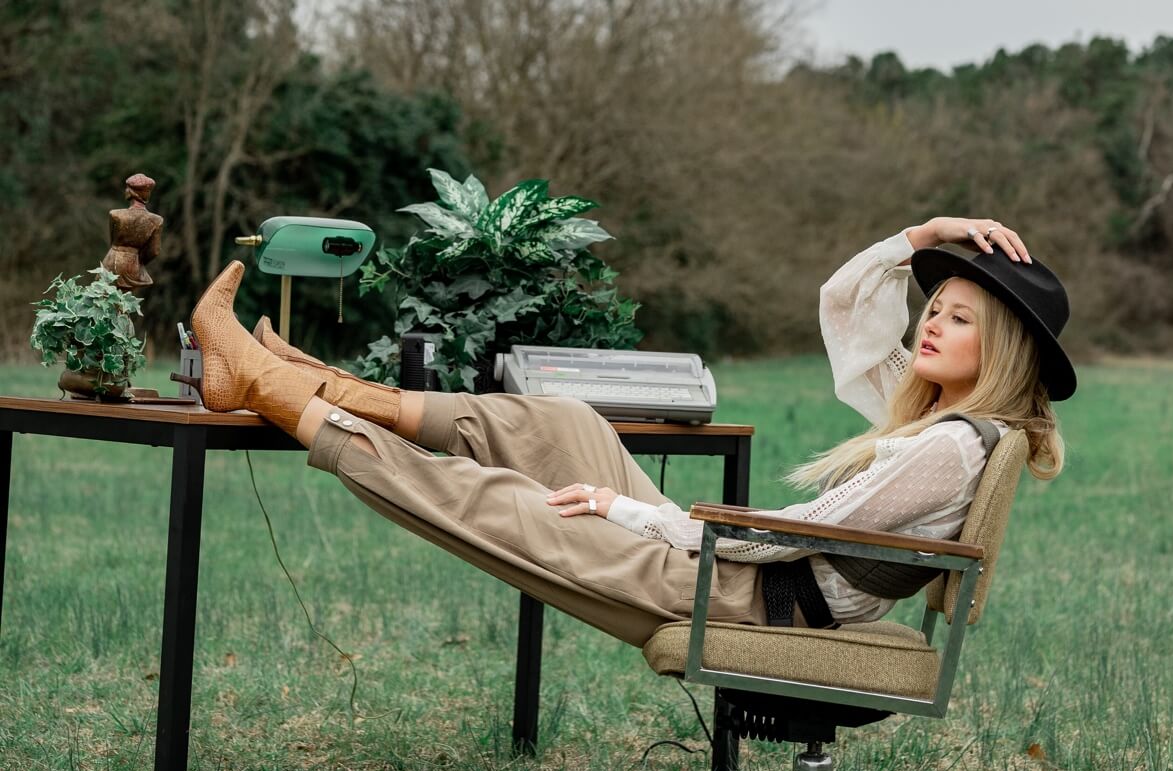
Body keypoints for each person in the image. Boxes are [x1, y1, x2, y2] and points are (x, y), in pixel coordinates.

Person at [172, 216, 1073, 647]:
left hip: (745, 594)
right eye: (933, 307)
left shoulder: (948, 446)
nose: (929, 323)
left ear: (998, 350)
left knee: (498, 502)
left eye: (958, 319)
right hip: (742, 574)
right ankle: (312, 381)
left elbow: (779, 538)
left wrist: (630, 514)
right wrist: (920, 237)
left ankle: (268, 386)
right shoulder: (937, 421)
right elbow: (848, 308)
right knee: (566, 422)